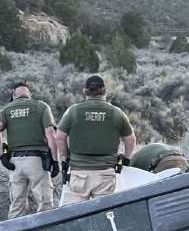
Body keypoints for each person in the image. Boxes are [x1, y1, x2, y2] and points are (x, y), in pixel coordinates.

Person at [55, 75, 136, 205]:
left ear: (85, 91)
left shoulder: (73, 111)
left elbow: (59, 137)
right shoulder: (116, 112)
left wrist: (65, 159)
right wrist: (126, 160)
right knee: (105, 212)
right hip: (105, 173)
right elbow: (130, 139)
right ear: (104, 90)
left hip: (79, 172)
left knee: (73, 212)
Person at [0, 82, 58, 218]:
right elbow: (50, 133)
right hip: (37, 161)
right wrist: (55, 161)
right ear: (28, 93)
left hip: (15, 163)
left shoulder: (6, 109)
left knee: (17, 206)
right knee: (45, 205)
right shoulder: (41, 106)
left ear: (13, 94)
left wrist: (3, 155)